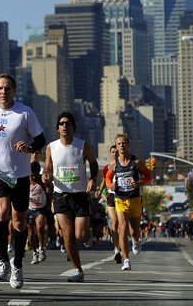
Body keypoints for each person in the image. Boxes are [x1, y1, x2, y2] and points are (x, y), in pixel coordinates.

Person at [0, 73, 46, 289]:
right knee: (2, 211)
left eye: (7, 88)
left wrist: (29, 147)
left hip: (20, 173)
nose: (3, 92)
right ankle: (3, 261)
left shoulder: (25, 112)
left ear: (14, 91)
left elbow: (41, 139)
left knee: (19, 222)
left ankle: (17, 265)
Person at [43, 112, 98, 283]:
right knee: (67, 234)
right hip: (60, 195)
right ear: (57, 128)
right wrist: (46, 175)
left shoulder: (83, 145)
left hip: (80, 195)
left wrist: (93, 179)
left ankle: (87, 237)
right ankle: (78, 270)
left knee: (80, 235)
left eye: (68, 123)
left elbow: (94, 163)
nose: (64, 126)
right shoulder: (51, 147)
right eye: (61, 123)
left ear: (73, 127)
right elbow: (48, 167)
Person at [106, 134, 152, 271]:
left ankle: (136, 241)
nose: (121, 145)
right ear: (116, 145)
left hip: (135, 199)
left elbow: (149, 176)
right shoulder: (114, 164)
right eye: (119, 143)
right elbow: (108, 177)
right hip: (120, 199)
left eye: (124, 143)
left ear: (128, 145)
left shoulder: (136, 162)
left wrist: (139, 182)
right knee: (123, 228)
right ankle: (126, 260)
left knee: (134, 231)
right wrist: (111, 186)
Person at [27, 161, 49, 265]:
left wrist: (49, 202)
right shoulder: (25, 180)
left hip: (41, 208)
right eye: (32, 175)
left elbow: (52, 188)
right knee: (31, 235)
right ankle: (34, 252)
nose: (34, 177)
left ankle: (41, 248)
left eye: (36, 175)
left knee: (40, 227)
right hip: (30, 208)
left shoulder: (42, 179)